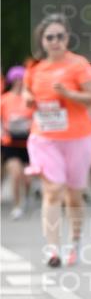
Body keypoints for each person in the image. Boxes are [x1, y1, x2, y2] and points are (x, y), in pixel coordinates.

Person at [24, 14, 91, 267]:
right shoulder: (34, 68)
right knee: (53, 190)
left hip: (77, 138)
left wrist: (68, 94)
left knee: (73, 196)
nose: (55, 41)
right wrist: (27, 98)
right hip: (44, 138)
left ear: (67, 38)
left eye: (60, 36)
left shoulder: (78, 65)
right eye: (50, 37)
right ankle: (52, 248)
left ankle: (74, 242)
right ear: (42, 41)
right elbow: (27, 90)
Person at [1, 65, 32, 219]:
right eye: (16, 80)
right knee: (15, 174)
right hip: (10, 142)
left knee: (27, 178)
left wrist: (28, 124)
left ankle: (26, 197)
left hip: (28, 142)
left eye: (22, 79)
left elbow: (37, 116)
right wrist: (3, 131)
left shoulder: (29, 98)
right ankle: (16, 205)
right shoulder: (4, 99)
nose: (19, 82)